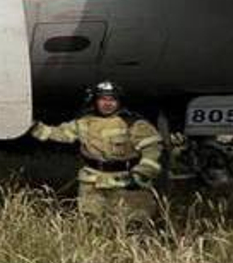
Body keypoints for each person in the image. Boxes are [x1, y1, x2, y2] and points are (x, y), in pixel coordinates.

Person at [30, 81, 162, 223]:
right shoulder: (84, 122)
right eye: (103, 99)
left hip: (126, 182)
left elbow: (153, 148)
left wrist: (143, 173)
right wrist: (32, 126)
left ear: (119, 102)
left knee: (131, 223)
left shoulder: (133, 123)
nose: (107, 103)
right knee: (91, 222)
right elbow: (60, 133)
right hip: (92, 182)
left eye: (112, 99)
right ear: (95, 101)